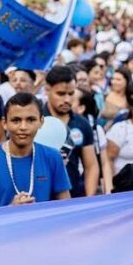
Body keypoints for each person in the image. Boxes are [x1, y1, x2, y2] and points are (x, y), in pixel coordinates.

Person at [0, 93, 71, 209]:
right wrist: (9, 209)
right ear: (4, 123)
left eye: (31, 120)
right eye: (16, 120)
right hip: (1, 227)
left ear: (41, 122)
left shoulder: (52, 157)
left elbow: (65, 207)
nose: (23, 127)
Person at [45, 65, 99, 197]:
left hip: (73, 197)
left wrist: (89, 198)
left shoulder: (82, 123)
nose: (67, 99)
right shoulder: (34, 120)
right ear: (47, 90)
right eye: (61, 94)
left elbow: (91, 166)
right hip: (40, 199)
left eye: (71, 94)